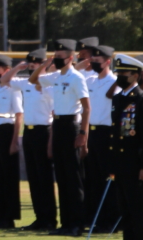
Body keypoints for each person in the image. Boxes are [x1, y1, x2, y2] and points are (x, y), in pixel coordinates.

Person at [30, 38, 91, 237]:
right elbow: (33, 79)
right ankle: (65, 223)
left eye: (60, 57)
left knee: (73, 178)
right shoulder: (55, 76)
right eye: (55, 56)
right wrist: (46, 64)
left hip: (72, 125)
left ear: (70, 58)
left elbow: (87, 107)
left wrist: (83, 133)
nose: (56, 59)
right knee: (62, 178)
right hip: (57, 125)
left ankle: (77, 223)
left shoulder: (77, 77)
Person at [0, 47, 57, 231]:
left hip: (44, 131)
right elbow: (4, 80)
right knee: (33, 178)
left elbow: (55, 115)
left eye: (36, 62)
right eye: (30, 62)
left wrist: (50, 142)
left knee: (44, 178)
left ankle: (49, 219)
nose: (32, 65)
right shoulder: (25, 83)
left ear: (44, 64)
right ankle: (39, 218)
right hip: (30, 133)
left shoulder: (49, 85)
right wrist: (18, 68)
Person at [83, 43, 119, 232]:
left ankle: (109, 220)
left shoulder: (115, 83)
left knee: (108, 178)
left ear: (107, 61)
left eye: (98, 61)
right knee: (94, 179)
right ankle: (97, 219)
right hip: (92, 133)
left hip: (107, 133)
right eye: (92, 60)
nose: (94, 63)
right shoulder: (90, 81)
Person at [107, 54, 143, 240]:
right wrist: (112, 164)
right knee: (125, 210)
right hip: (120, 163)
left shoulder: (139, 99)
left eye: (125, 73)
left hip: (134, 163)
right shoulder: (118, 99)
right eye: (118, 72)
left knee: (138, 211)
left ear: (136, 75)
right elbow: (115, 133)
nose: (120, 76)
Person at [0, 54, 23, 229]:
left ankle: (9, 217)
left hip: (7, 131)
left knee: (9, 176)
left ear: (7, 70)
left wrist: (15, 140)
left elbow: (18, 115)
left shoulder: (13, 89)